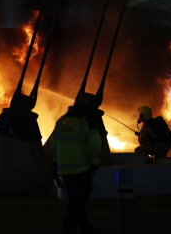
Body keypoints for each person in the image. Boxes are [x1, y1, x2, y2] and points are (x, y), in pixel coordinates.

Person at [50, 93, 102, 234]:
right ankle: (69, 230)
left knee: (75, 201)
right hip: (82, 169)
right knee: (77, 202)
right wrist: (95, 162)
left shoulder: (61, 121)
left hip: (65, 171)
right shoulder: (87, 121)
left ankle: (85, 229)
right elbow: (95, 144)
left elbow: (53, 145)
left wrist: (55, 164)